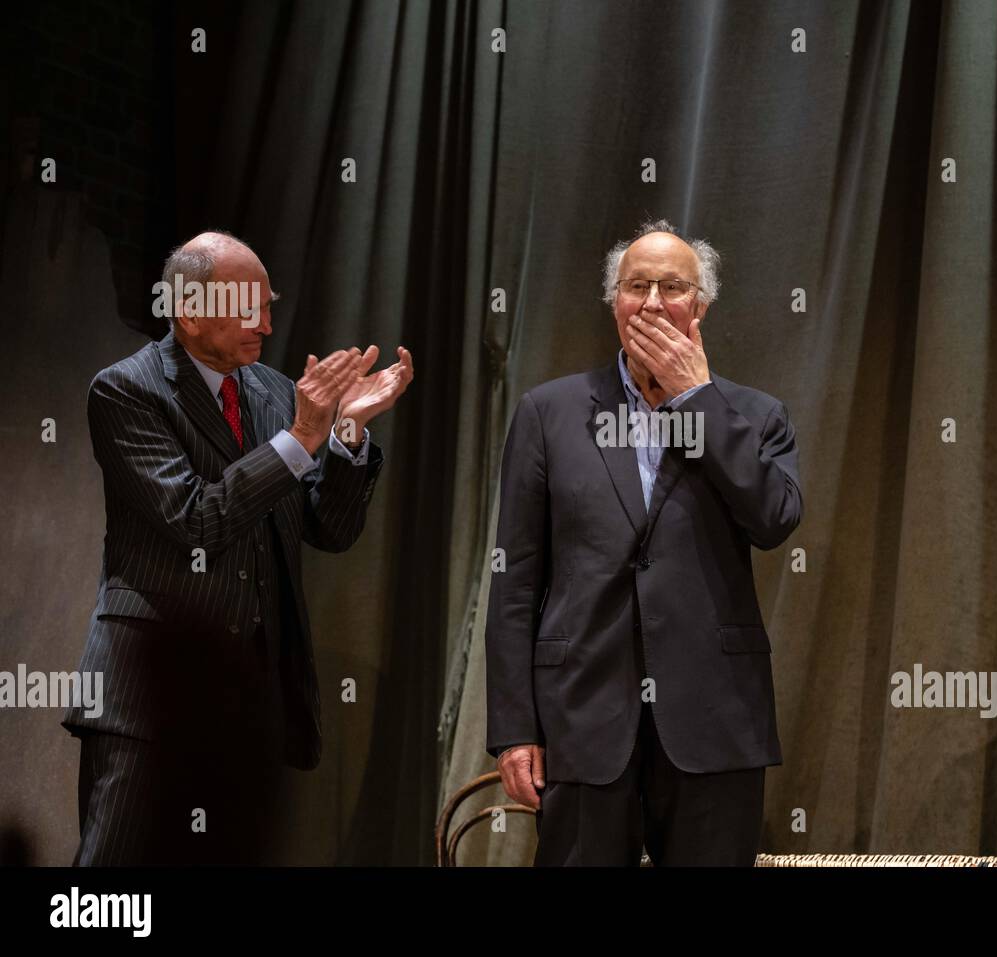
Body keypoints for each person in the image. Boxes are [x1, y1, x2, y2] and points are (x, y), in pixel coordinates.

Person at [63, 231, 414, 864]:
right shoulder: (126, 390)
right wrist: (303, 435)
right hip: (148, 695)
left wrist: (346, 433)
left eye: (269, 306)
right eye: (251, 308)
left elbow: (328, 530)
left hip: (252, 698)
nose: (268, 324)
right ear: (191, 311)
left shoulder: (275, 392)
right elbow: (195, 519)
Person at [485, 219, 802, 866]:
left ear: (701, 306)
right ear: (614, 302)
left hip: (715, 721)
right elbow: (515, 580)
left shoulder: (756, 414)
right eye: (637, 286)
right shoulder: (548, 413)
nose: (653, 301)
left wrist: (697, 397)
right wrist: (515, 727)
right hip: (582, 720)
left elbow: (774, 519)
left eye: (673, 286)